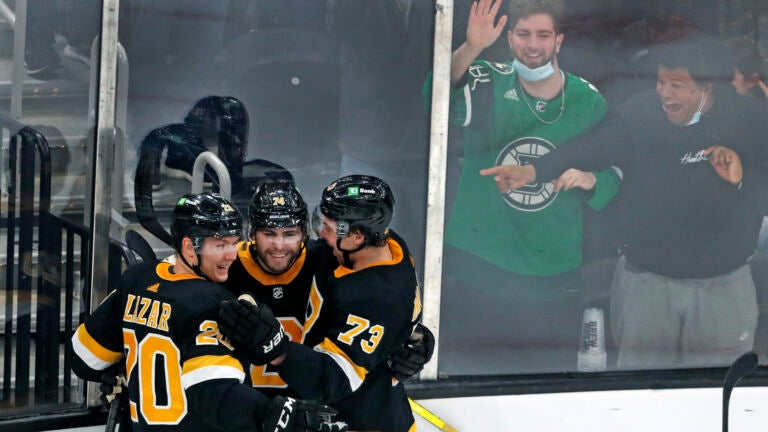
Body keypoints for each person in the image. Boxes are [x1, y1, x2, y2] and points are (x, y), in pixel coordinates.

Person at [492, 33, 768, 369]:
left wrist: (742, 179)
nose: (664, 93)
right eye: (660, 81)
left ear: (706, 86)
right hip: (647, 284)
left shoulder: (750, 120)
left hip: (723, 287)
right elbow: (590, 147)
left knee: (717, 399)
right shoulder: (640, 114)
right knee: (641, 395)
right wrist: (534, 170)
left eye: (677, 85)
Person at [424, 0, 620, 372]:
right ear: (509, 38)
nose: (534, 45)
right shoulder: (485, 78)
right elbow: (433, 101)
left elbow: (616, 173)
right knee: (472, 382)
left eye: (543, 35)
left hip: (553, 273)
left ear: (559, 40)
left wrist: (592, 179)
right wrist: (471, 47)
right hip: (482, 268)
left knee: (548, 387)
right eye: (524, 34)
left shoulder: (587, 100)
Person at [70, 192, 345, 431]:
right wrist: (277, 417)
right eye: (219, 245)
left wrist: (125, 369)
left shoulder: (136, 279)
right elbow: (215, 395)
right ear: (189, 247)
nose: (231, 255)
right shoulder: (214, 303)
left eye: (233, 242)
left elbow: (83, 359)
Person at [219, 175, 421, 432]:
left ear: (357, 235)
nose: (321, 233)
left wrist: (276, 347)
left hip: (359, 419)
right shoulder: (376, 246)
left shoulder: (376, 294)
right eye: (268, 232)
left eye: (329, 226)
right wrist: (410, 335)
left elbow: (331, 380)